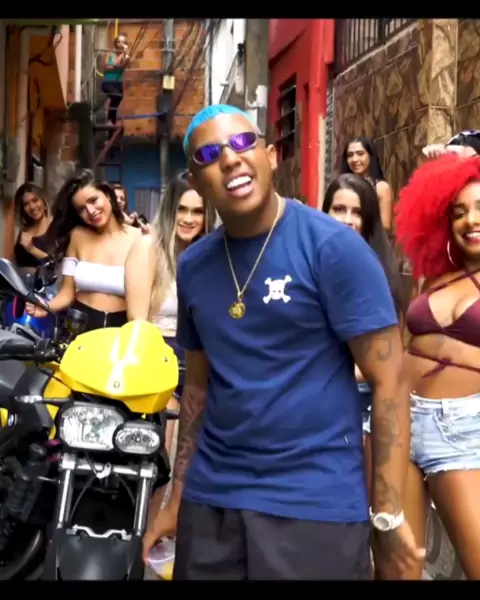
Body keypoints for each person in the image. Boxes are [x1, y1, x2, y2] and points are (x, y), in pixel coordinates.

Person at [142, 104, 424, 580]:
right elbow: (198, 391)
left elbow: (390, 381)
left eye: (242, 143)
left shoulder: (333, 247)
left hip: (313, 505)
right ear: (197, 180)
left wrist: (388, 514)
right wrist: (175, 500)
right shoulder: (194, 266)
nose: (229, 158)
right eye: (209, 154)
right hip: (213, 503)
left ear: (271, 156)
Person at [393, 153, 480, 580]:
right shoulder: (434, 277)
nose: (471, 220)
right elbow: (402, 345)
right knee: (399, 566)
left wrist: (459, 357)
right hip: (399, 421)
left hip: (461, 430)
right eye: (459, 212)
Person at [126, 171, 216, 455]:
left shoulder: (211, 254)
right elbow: (137, 322)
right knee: (158, 452)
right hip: (158, 355)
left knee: (192, 455)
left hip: (202, 360)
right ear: (169, 211)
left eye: (198, 211)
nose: (189, 219)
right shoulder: (148, 248)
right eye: (182, 209)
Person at [322, 173, 406, 437]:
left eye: (357, 212)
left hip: (363, 398)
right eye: (339, 209)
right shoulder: (309, 266)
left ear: (368, 221)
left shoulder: (378, 272)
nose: (347, 220)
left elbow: (388, 365)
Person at [25, 169, 141, 332]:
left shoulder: (139, 239)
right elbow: (67, 292)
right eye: (81, 209)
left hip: (123, 331)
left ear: (107, 195)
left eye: (93, 200)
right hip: (79, 329)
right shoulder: (77, 237)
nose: (91, 211)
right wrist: (46, 306)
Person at [341, 136, 393, 231]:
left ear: (370, 156)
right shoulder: (342, 187)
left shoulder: (381, 188)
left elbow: (385, 226)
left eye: (360, 154)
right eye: (350, 155)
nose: (354, 159)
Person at [13, 183, 53, 275]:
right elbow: (17, 264)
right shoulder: (24, 232)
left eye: (35, 200)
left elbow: (59, 266)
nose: (32, 207)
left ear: (44, 201)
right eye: (26, 204)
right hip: (23, 282)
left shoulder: (56, 226)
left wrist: (31, 249)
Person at [102, 33, 130, 129]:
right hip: (108, 82)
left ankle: (111, 122)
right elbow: (107, 66)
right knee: (116, 96)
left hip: (118, 82)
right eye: (119, 42)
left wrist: (125, 56)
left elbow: (123, 66)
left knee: (118, 98)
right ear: (115, 43)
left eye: (123, 42)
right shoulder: (110, 53)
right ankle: (109, 120)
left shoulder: (125, 55)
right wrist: (122, 55)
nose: (121, 44)